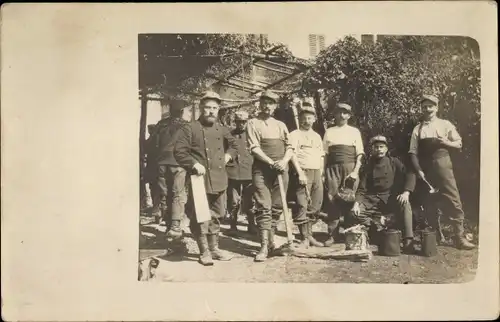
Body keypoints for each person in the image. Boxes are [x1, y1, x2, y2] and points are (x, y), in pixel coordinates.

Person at [174, 91, 239, 266]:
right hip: (198, 180)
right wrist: (193, 164)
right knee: (200, 216)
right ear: (201, 108)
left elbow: (234, 145)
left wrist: (228, 156)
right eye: (207, 107)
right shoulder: (190, 128)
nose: (211, 111)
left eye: (214, 108)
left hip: (219, 178)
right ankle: (204, 252)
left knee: (217, 214)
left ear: (218, 110)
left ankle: (215, 248)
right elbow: (179, 151)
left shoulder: (221, 129)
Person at [408, 94, 475, 250]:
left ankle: (459, 237)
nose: (427, 109)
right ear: (421, 109)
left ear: (436, 108)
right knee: (429, 201)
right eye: (424, 106)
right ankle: (436, 236)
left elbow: (459, 143)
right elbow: (412, 152)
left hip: (443, 164)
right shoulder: (418, 128)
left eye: (430, 106)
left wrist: (446, 142)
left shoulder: (445, 124)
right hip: (425, 168)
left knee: (453, 199)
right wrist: (418, 170)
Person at [246, 90, 295, 262]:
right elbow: (254, 147)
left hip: (281, 170)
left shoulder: (281, 125)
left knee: (276, 207)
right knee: (263, 206)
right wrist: (270, 161)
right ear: (260, 104)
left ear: (275, 106)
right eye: (264, 102)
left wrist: (283, 161)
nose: (267, 106)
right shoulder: (252, 123)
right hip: (262, 170)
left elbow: (290, 147)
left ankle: (272, 242)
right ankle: (263, 246)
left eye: (271, 103)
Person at [346, 135, 417, 253]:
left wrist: (406, 192)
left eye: (381, 147)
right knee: (354, 213)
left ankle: (408, 240)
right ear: (372, 149)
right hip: (372, 199)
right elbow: (362, 189)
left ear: (386, 149)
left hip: (390, 198)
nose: (379, 149)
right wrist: (357, 203)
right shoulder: (368, 166)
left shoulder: (394, 162)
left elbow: (410, 174)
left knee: (405, 204)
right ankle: (376, 227)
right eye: (376, 147)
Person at [322, 102, 365, 246]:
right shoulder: (329, 131)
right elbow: (325, 154)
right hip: (333, 168)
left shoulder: (354, 131)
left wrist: (355, 171)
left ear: (349, 115)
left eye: (345, 113)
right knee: (332, 199)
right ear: (335, 114)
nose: (342, 115)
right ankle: (332, 234)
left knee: (349, 198)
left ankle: (349, 233)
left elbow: (360, 154)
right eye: (339, 112)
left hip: (350, 167)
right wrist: (323, 171)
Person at [288, 98, 325, 248]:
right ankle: (304, 237)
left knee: (316, 205)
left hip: (317, 172)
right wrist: (300, 173)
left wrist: (321, 172)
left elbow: (321, 155)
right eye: (304, 118)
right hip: (303, 172)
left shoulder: (317, 136)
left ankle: (310, 236)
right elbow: (292, 154)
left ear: (314, 119)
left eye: (309, 118)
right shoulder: (295, 134)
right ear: (300, 119)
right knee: (302, 204)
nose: (307, 121)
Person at [156, 100, 192, 242]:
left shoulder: (160, 124)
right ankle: (175, 226)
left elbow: (153, 143)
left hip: (161, 163)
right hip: (178, 163)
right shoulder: (186, 126)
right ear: (182, 111)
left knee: (166, 195)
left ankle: (168, 225)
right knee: (178, 194)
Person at [225, 110, 257, 236]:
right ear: (235, 122)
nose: (241, 124)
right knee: (233, 201)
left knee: (250, 200)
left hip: (249, 171)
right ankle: (233, 226)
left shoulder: (251, 135)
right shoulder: (229, 134)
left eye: (244, 122)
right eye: (239, 122)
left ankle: (251, 225)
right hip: (233, 172)